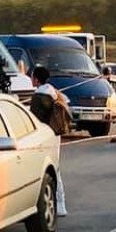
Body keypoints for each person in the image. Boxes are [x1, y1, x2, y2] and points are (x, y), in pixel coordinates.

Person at [26, 66, 68, 216]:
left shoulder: (39, 96)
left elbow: (35, 118)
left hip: (45, 136)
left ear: (36, 79)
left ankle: (56, 204)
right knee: (55, 168)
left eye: (32, 77)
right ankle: (60, 203)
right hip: (55, 134)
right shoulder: (54, 92)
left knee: (48, 170)